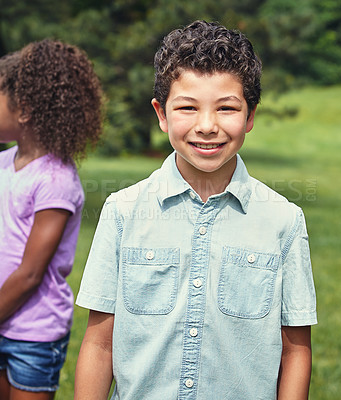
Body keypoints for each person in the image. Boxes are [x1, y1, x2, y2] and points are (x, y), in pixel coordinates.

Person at [75, 20, 317, 400]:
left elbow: (296, 351)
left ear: (250, 115)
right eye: (188, 107)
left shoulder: (284, 221)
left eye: (226, 108)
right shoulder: (122, 212)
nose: (207, 126)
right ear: (161, 113)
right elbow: (100, 344)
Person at [0, 39, 104, 400]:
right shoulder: (3, 163)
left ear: (24, 110)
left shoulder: (55, 180)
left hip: (33, 331)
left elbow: (30, 273)